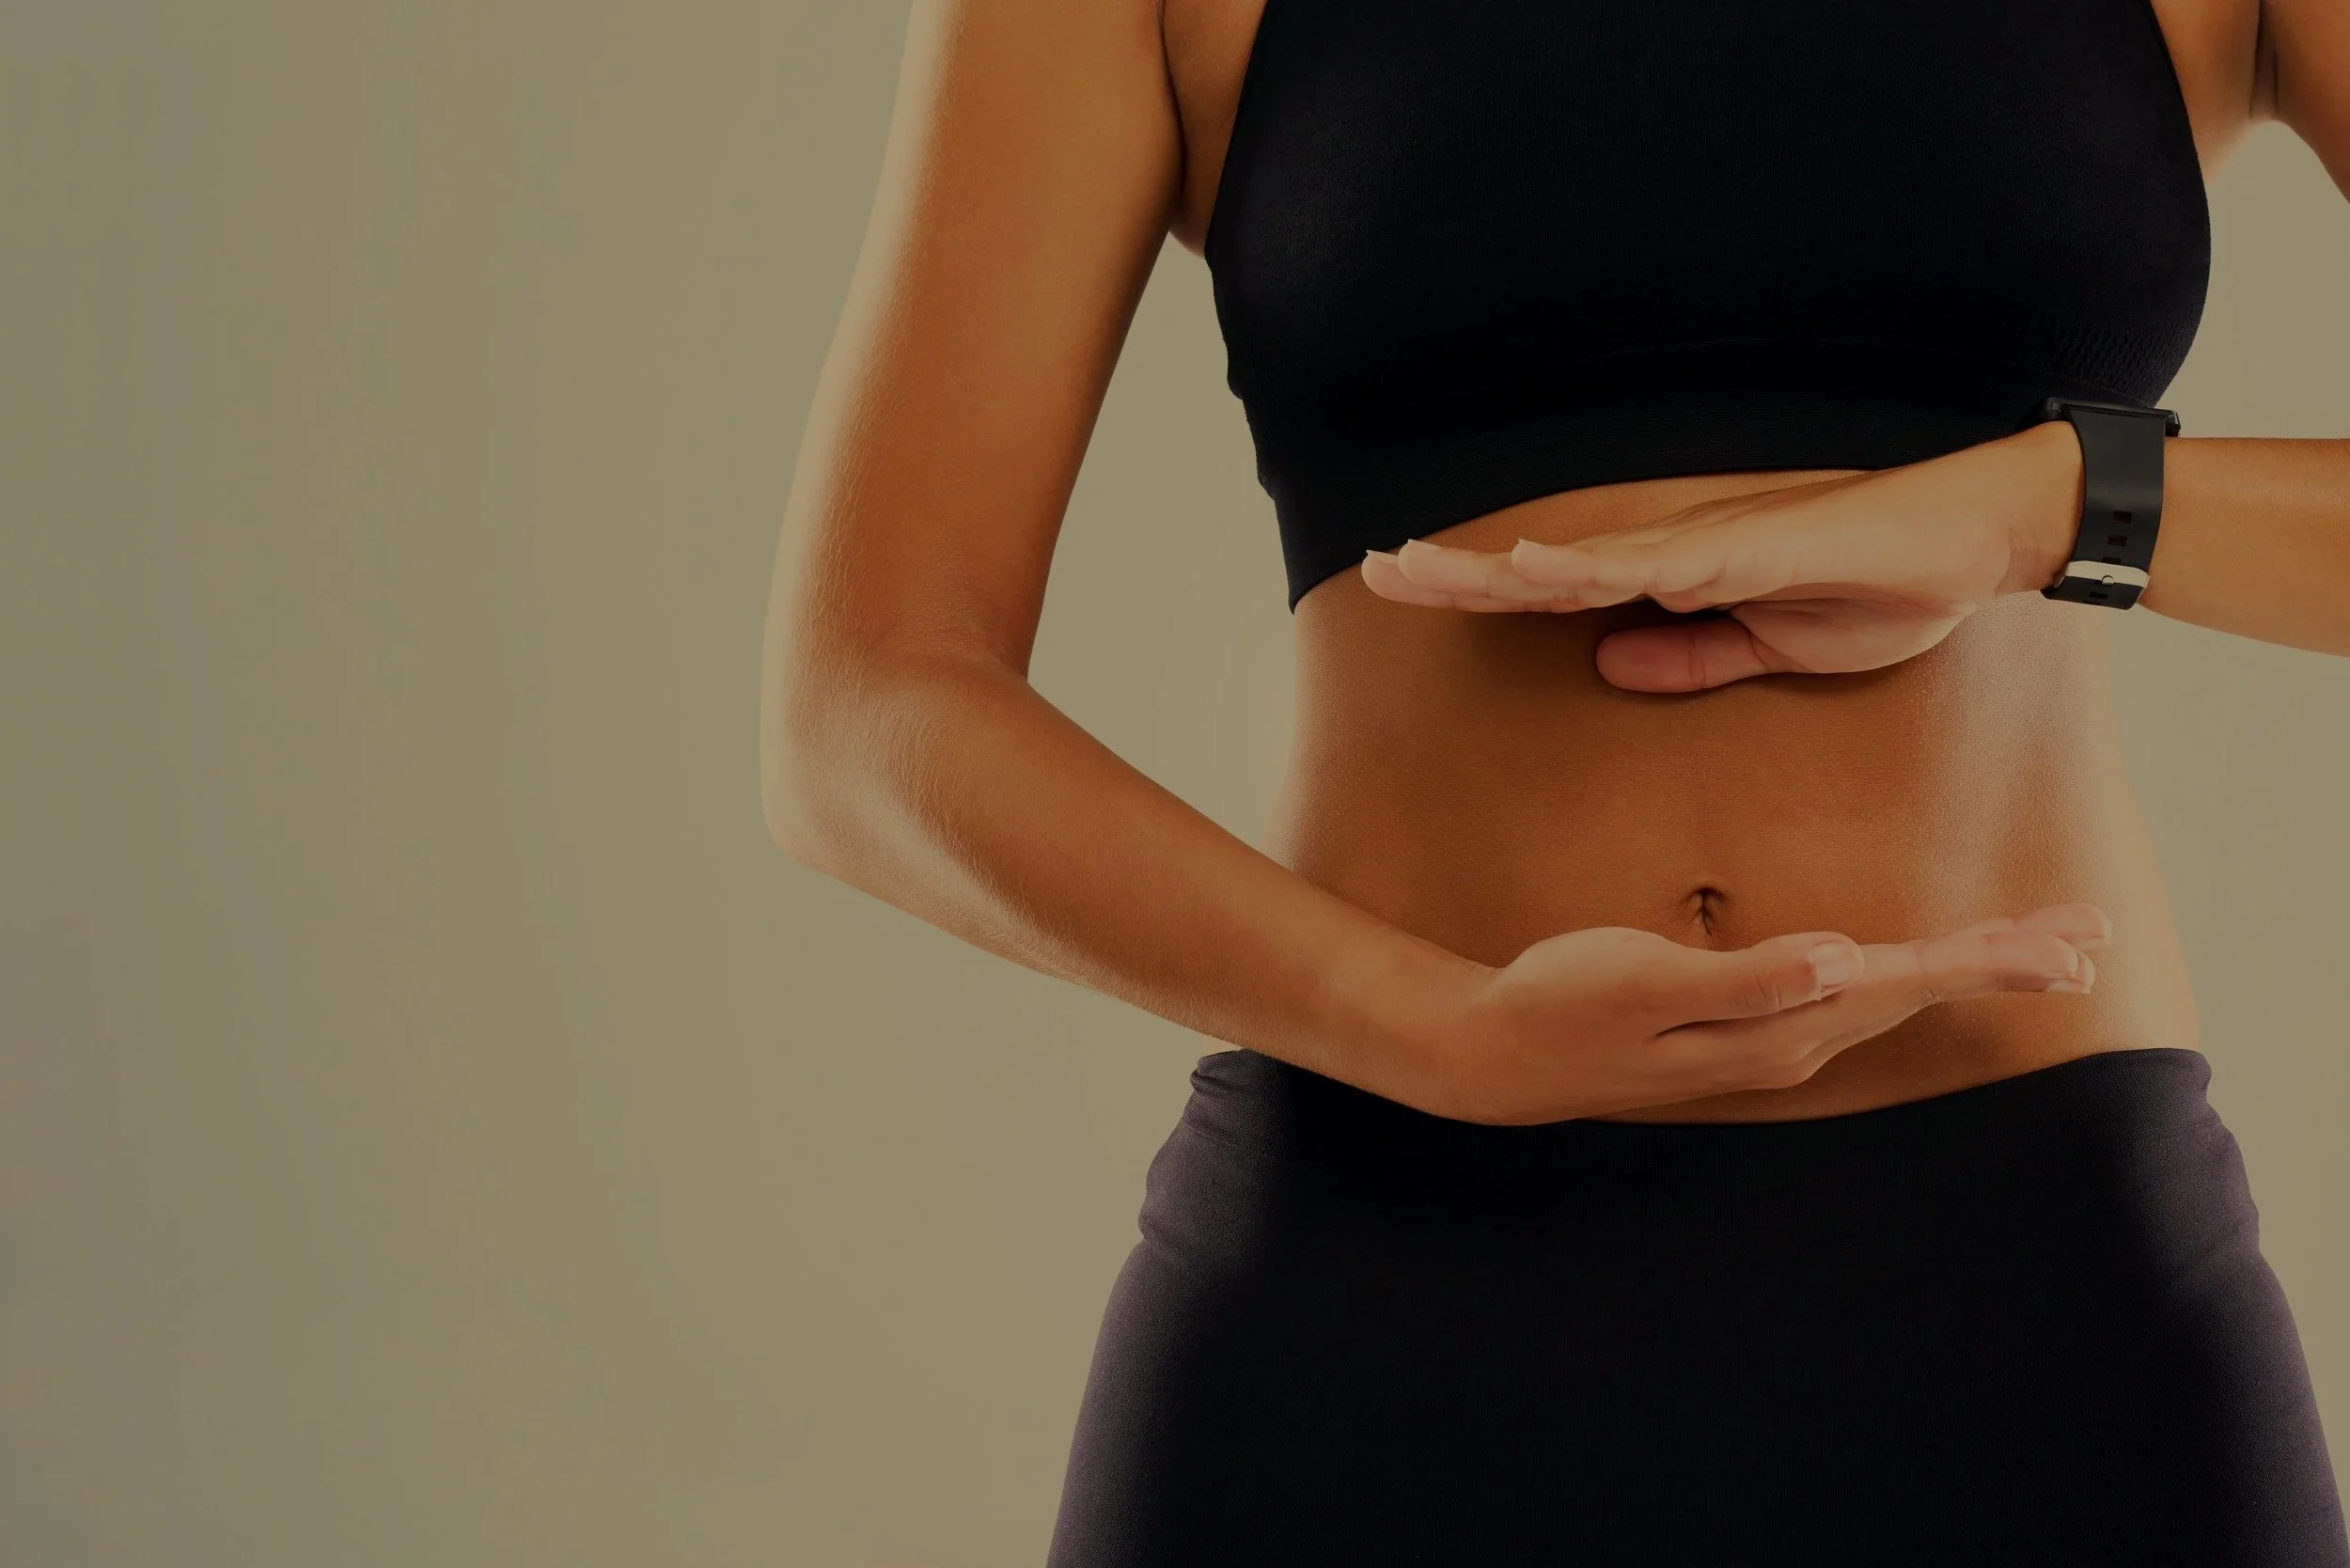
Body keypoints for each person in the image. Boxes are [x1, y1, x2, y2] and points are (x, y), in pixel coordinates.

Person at [763, 0, 2350, 1560]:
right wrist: (1432, 1030)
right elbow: (863, 706)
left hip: (2053, 1288)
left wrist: (2057, 506)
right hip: (1383, 1275)